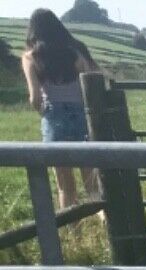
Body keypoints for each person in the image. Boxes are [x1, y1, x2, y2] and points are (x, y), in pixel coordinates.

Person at [22, 9, 100, 209]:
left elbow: (35, 98)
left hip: (55, 118)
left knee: (66, 187)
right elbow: (93, 81)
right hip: (82, 116)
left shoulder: (31, 58)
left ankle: (72, 234)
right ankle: (105, 223)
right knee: (91, 185)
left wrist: (44, 113)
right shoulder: (75, 52)